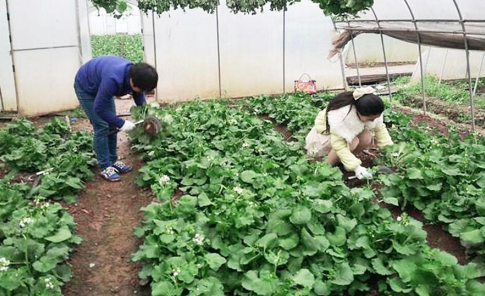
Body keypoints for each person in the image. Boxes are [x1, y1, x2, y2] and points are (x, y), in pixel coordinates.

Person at [74, 55, 158, 182]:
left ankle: (113, 160)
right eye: (142, 89)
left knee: (112, 125)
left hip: (101, 83)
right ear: (132, 82)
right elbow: (99, 108)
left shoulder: (136, 75)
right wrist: (122, 123)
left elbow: (139, 95)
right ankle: (104, 166)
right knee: (102, 126)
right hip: (86, 86)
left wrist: (146, 114)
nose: (142, 92)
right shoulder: (113, 79)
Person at [305, 87, 393, 180]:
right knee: (352, 142)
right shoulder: (341, 116)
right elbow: (338, 145)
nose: (373, 121)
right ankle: (323, 170)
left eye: (375, 118)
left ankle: (344, 161)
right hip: (323, 138)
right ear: (358, 113)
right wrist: (356, 167)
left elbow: (379, 129)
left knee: (367, 137)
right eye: (370, 119)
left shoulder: (371, 108)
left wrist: (391, 151)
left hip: (342, 135)